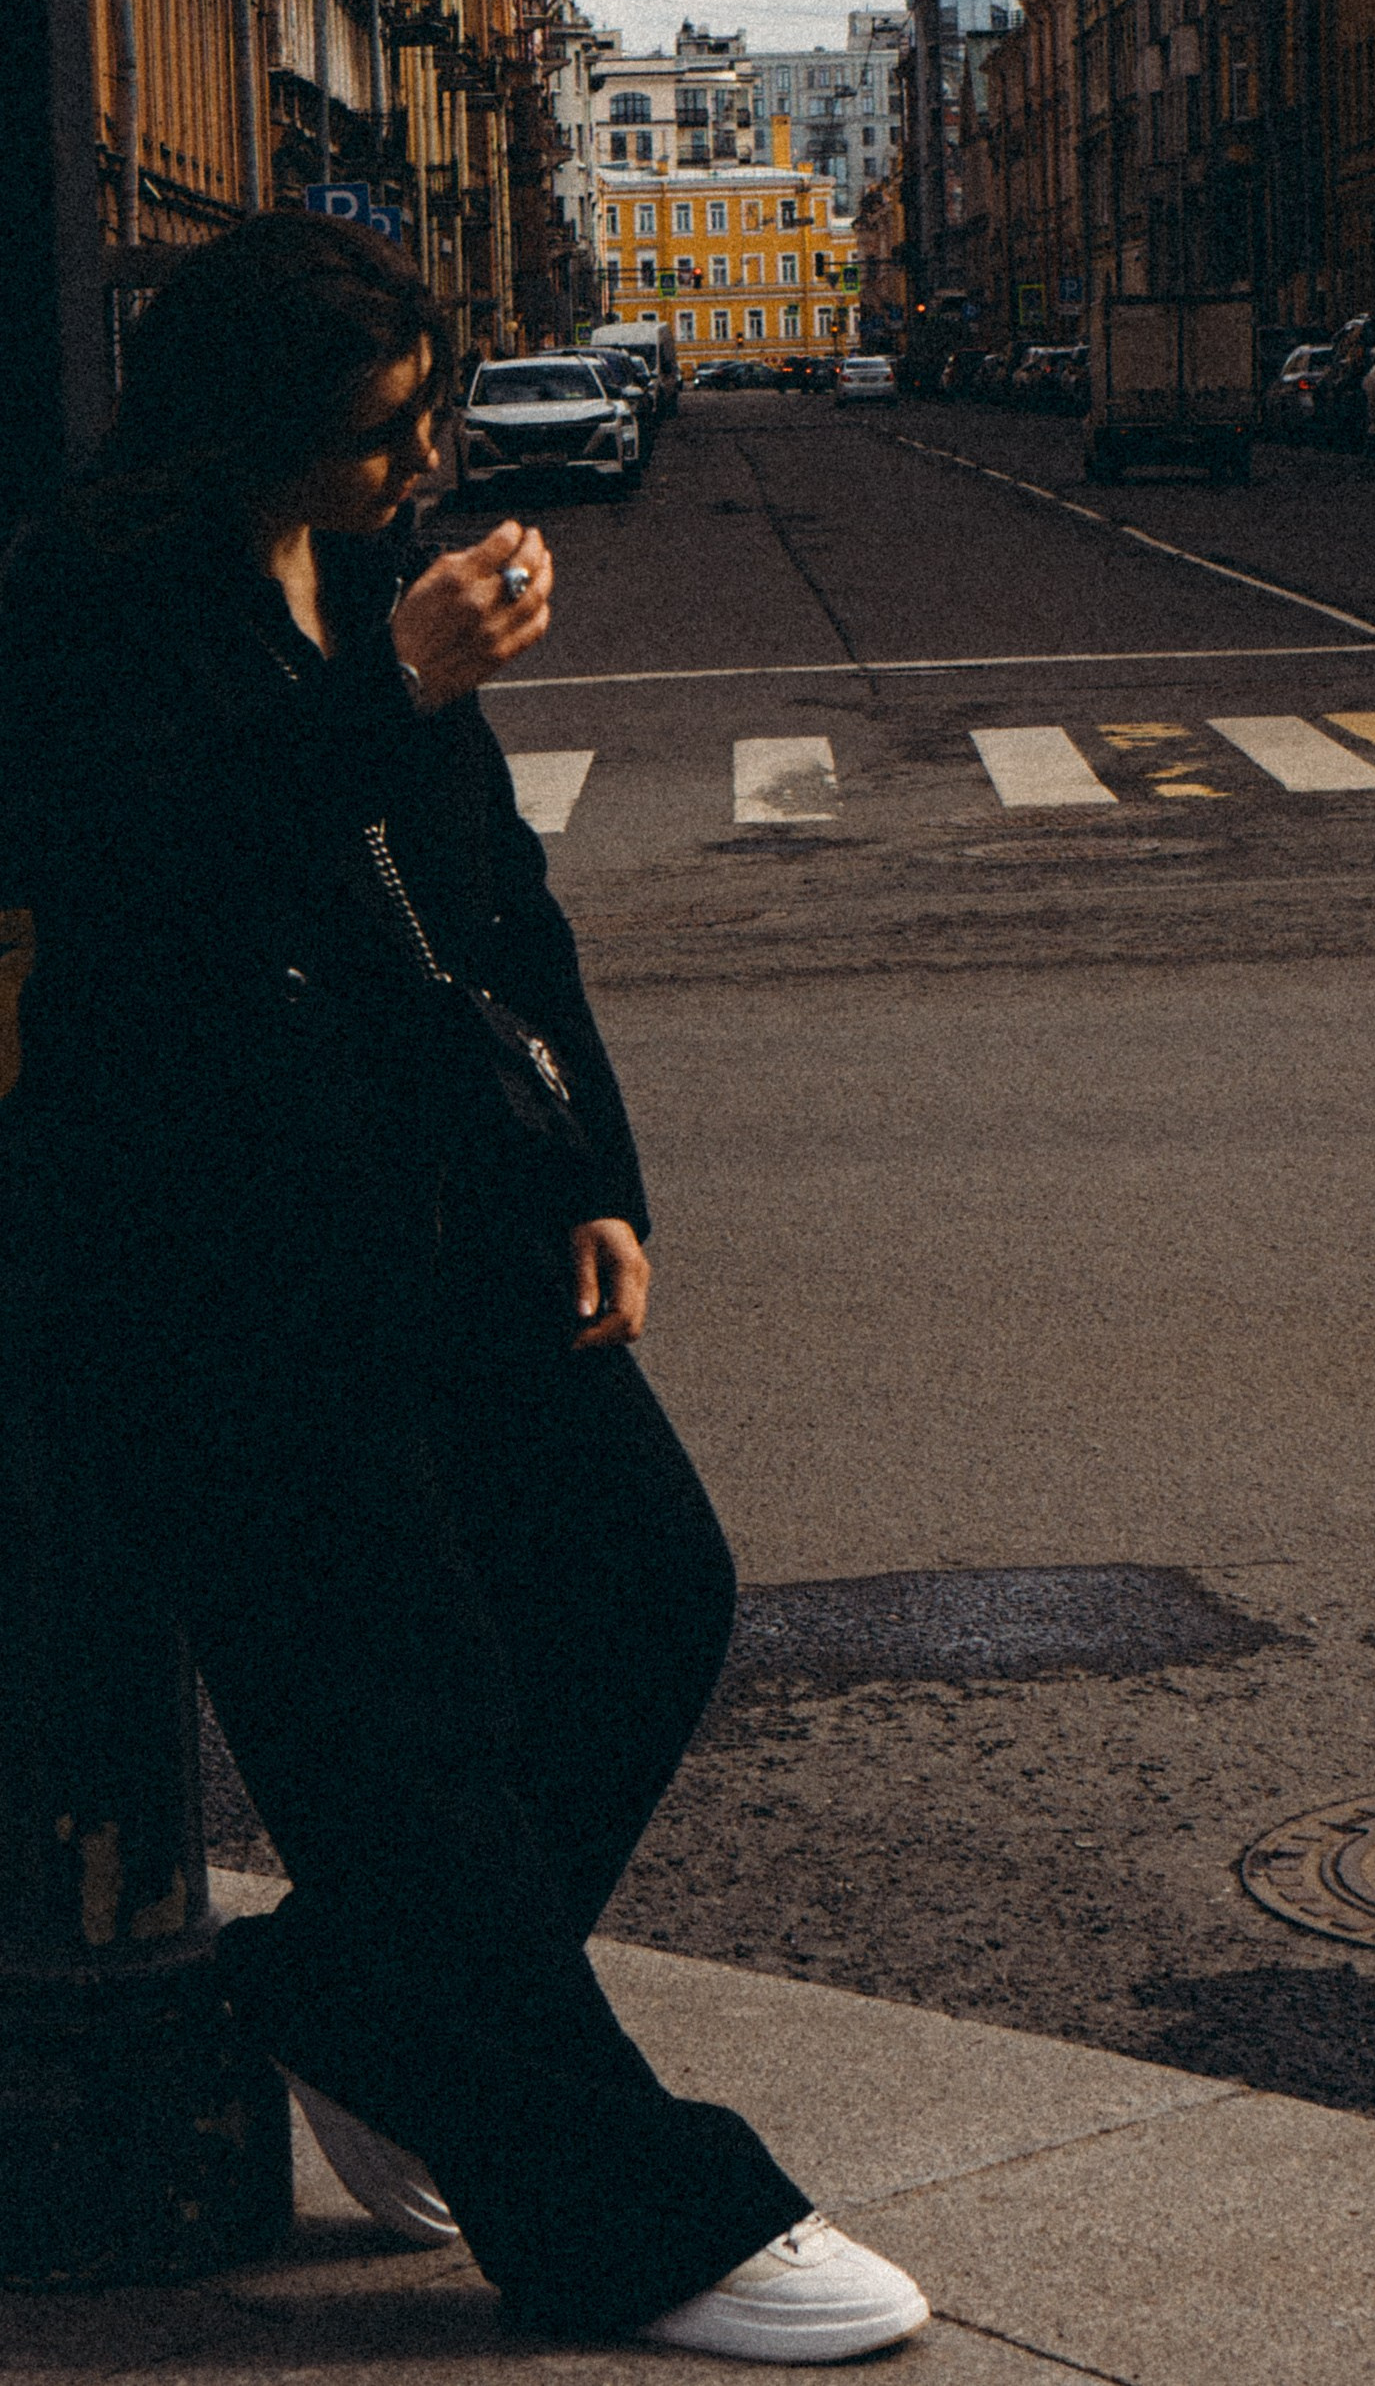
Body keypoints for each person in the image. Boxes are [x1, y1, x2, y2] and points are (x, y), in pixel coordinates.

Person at [0, 216, 928, 2363]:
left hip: (444, 1210)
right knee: (398, 1736)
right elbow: (154, 898)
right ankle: (623, 2212)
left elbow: (488, 891)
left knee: (642, 1593)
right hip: (210, 1266)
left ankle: (352, 1995)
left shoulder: (350, 575)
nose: (419, 461)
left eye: (426, 414)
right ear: (250, 430)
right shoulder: (89, 595)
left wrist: (594, 1169)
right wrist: (388, 687)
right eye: (377, 431)